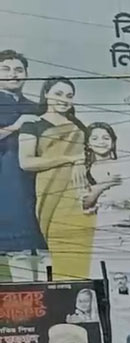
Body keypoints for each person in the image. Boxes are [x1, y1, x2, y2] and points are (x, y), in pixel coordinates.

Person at [19, 77, 92, 279]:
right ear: (46, 94)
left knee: (81, 249)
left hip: (79, 194)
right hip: (49, 193)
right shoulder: (32, 125)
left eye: (69, 96)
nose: (64, 99)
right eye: (58, 94)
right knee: (58, 247)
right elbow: (26, 163)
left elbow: (91, 157)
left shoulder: (79, 127)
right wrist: (69, 158)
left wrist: (80, 162)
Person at [82, 123, 130, 273]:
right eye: (95, 138)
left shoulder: (127, 166)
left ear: (113, 141)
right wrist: (105, 185)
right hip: (104, 232)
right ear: (88, 144)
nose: (101, 142)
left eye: (105, 137)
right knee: (105, 276)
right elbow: (85, 203)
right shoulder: (84, 171)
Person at [0, 51, 43, 254]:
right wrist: (15, 126)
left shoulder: (36, 108)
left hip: (33, 183)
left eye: (18, 70)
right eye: (5, 69)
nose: (13, 74)